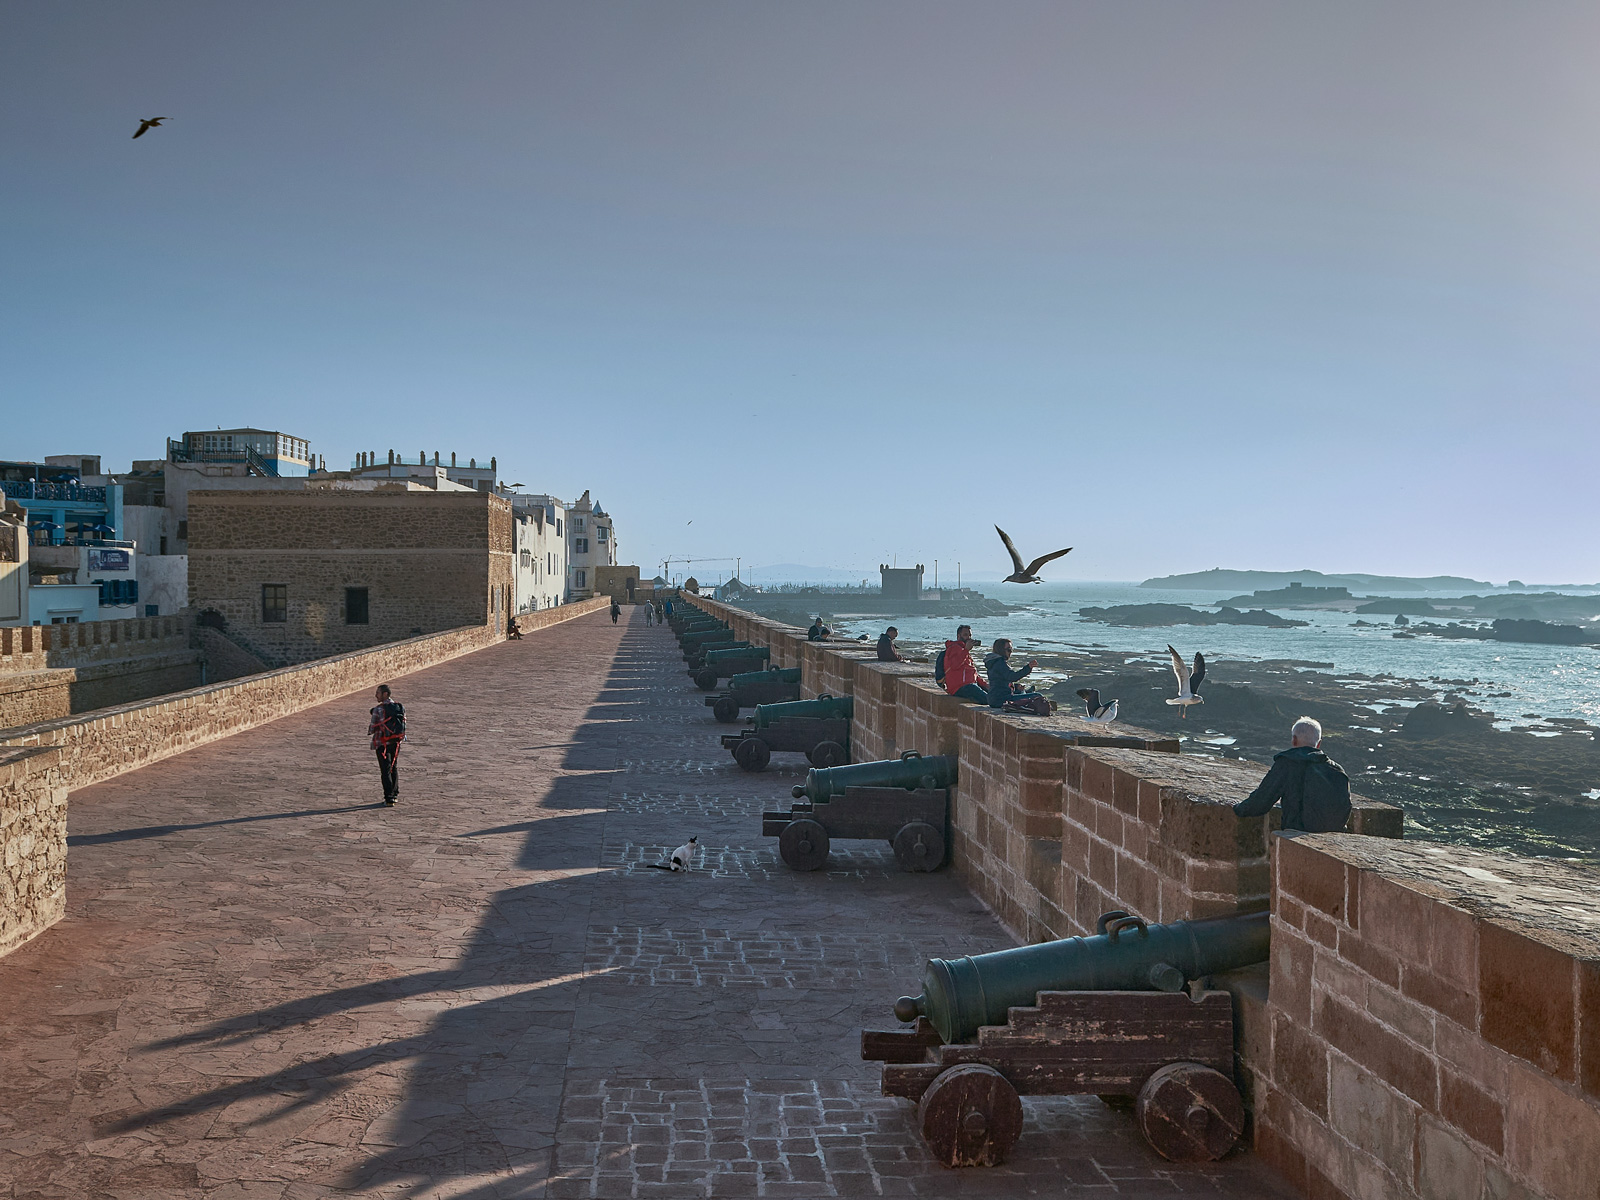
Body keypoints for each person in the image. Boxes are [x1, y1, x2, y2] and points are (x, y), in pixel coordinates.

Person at [1233, 717, 1353, 832]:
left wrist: (1238, 808)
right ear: (1318, 744)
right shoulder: (1336, 769)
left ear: (1294, 740)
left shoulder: (1287, 763)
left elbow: (1261, 801)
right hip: (1332, 836)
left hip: (1296, 833)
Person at [368, 684, 406, 807]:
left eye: (378, 693)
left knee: (385, 770)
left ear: (385, 694)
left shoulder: (378, 710)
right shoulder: (399, 707)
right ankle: (394, 794)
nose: (376, 696)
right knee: (393, 767)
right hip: (396, 742)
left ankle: (388, 797)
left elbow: (372, 728)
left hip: (382, 743)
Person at [983, 639, 1039, 709]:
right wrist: (1028, 667)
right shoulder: (1000, 663)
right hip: (1002, 700)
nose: (1010, 652)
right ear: (1001, 650)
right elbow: (1012, 677)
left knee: (1021, 692)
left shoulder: (993, 662)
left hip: (994, 699)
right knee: (1037, 696)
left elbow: (999, 681)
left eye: (1011, 650)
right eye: (1009, 650)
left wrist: (1015, 687)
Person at [941, 625, 988, 704]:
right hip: (960, 687)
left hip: (969, 685)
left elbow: (971, 670)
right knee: (988, 699)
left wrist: (985, 685)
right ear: (958, 636)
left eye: (970, 635)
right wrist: (966, 650)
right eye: (965, 635)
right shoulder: (954, 648)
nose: (969, 638)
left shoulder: (964, 651)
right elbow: (954, 665)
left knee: (994, 692)